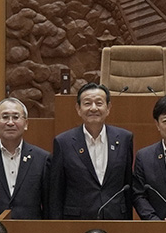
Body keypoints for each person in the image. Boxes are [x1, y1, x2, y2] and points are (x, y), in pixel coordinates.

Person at [48, 83, 134, 220]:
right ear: (78, 109)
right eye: (87, 103)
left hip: (116, 219)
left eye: (99, 103)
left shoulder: (124, 139)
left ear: (108, 108)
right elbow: (56, 193)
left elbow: (128, 185)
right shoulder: (63, 142)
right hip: (77, 221)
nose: (93, 108)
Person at [0, 97, 50, 220]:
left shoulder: (42, 158)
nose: (10, 122)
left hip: (32, 232)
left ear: (26, 124)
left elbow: (48, 204)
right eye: (5, 117)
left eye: (15, 117)